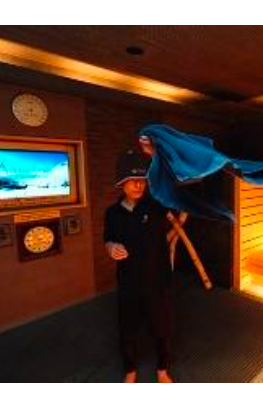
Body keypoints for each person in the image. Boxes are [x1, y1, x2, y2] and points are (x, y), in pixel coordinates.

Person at [103, 143, 176, 383]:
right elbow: (108, 239)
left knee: (162, 328)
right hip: (129, 283)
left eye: (142, 180)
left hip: (158, 281)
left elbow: (172, 187)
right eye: (132, 180)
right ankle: (130, 370)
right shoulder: (112, 213)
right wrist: (110, 247)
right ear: (121, 183)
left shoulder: (155, 206)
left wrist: (155, 155)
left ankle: (162, 369)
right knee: (127, 330)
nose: (138, 185)